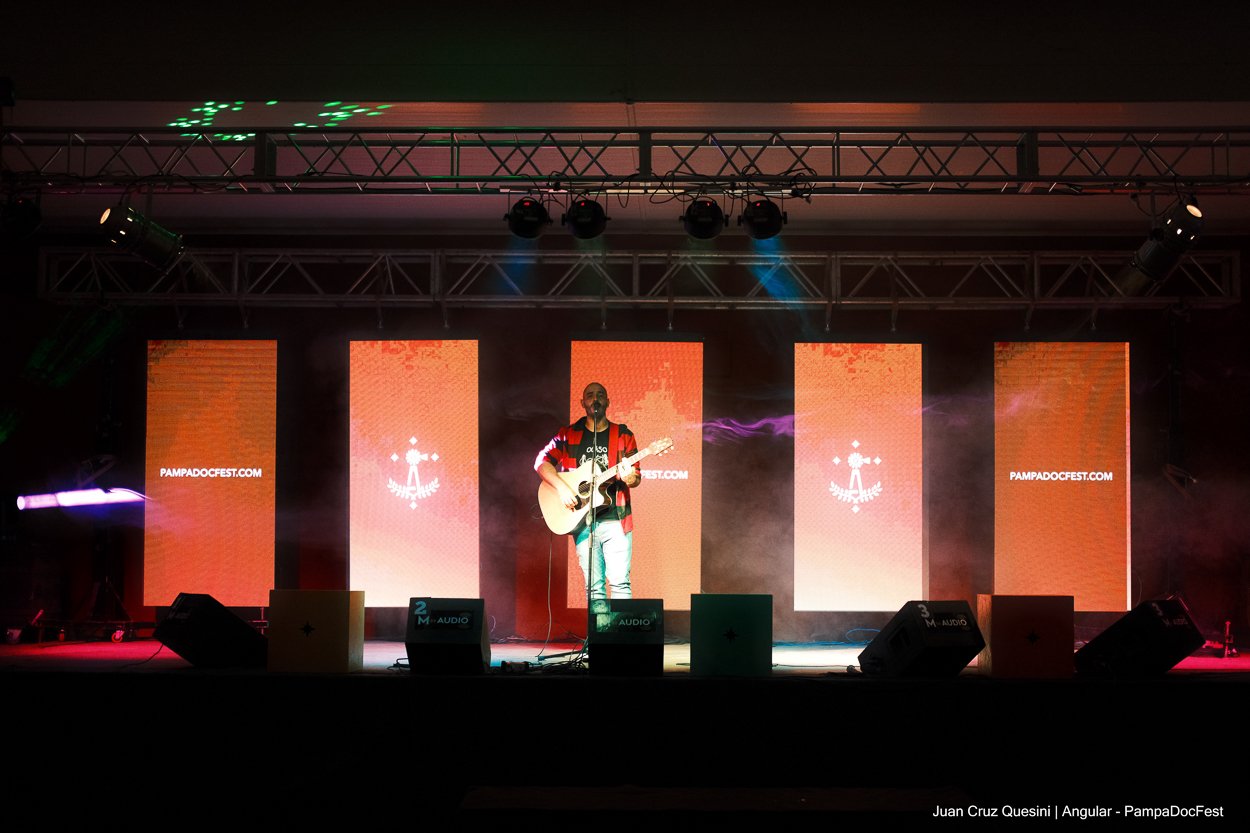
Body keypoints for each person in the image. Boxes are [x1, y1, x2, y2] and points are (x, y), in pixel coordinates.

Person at [535, 382, 641, 613]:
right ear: (582, 403)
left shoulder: (623, 435)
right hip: (583, 521)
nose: (596, 399)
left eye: (600, 395)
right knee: (594, 587)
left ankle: (623, 633)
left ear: (607, 402)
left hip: (616, 519)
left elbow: (635, 478)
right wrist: (562, 488)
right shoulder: (568, 434)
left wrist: (629, 476)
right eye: (590, 395)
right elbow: (541, 463)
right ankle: (599, 634)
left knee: (620, 583)